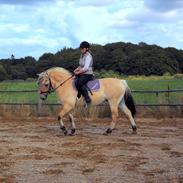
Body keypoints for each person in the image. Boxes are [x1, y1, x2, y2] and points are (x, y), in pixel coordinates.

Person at [74, 41, 94, 105]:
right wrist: (75, 70)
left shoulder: (88, 56)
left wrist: (78, 72)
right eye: (81, 48)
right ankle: (79, 94)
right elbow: (80, 65)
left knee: (80, 82)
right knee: (75, 80)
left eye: (82, 48)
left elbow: (86, 68)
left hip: (88, 74)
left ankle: (87, 98)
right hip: (82, 73)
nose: (81, 50)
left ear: (86, 49)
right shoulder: (82, 55)